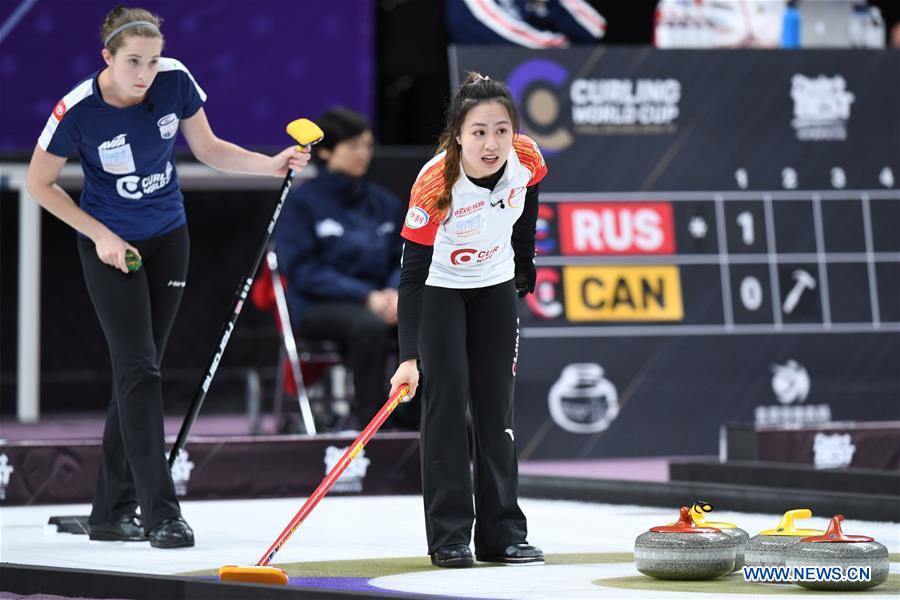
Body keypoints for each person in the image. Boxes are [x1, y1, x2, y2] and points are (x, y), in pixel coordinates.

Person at [25, 6, 310, 549]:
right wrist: (101, 235)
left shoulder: (175, 80)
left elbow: (208, 148)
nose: (145, 73)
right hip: (111, 248)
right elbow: (40, 184)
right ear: (107, 57)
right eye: (133, 61)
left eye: (152, 61)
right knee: (139, 371)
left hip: (169, 238)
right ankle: (161, 514)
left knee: (139, 373)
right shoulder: (77, 109)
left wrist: (268, 164)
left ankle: (110, 512)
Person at [389, 73, 546, 568]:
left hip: (493, 286)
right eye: (479, 132)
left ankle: (503, 534)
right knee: (447, 406)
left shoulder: (527, 157)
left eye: (502, 130)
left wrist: (524, 257)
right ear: (457, 134)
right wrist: (408, 357)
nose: (492, 143)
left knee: (497, 410)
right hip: (439, 290)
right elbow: (411, 277)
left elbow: (529, 198)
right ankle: (450, 536)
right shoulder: (435, 182)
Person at [274, 107, 406, 429]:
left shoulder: (384, 203)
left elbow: (403, 256)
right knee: (369, 326)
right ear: (325, 151)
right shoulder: (301, 203)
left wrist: (394, 291)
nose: (363, 154)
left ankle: (419, 421)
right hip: (318, 305)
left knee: (427, 318)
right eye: (353, 146)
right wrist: (365, 296)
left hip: (384, 299)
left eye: (368, 145)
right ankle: (374, 428)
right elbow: (302, 270)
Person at [446, 0, 606, 47]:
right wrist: (564, 45)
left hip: (554, 86)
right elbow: (506, 36)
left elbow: (595, 28)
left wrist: (547, 3)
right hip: (493, 92)